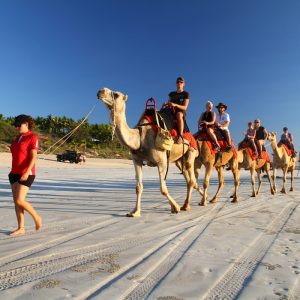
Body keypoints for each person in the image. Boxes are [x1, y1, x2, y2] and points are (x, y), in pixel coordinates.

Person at [9, 114, 42, 236]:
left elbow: (33, 157)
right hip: (14, 173)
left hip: (27, 173)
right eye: (15, 126)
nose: (17, 128)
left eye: (19, 125)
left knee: (19, 200)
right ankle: (21, 228)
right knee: (16, 202)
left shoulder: (32, 137)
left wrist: (27, 172)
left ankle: (37, 218)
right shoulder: (17, 138)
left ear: (26, 124)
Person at [168, 76, 190, 143]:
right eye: (177, 82)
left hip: (180, 111)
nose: (179, 83)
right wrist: (166, 104)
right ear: (176, 84)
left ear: (184, 84)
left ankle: (180, 135)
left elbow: (185, 107)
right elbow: (169, 102)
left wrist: (175, 105)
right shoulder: (171, 94)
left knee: (179, 115)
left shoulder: (186, 94)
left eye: (181, 82)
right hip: (170, 110)